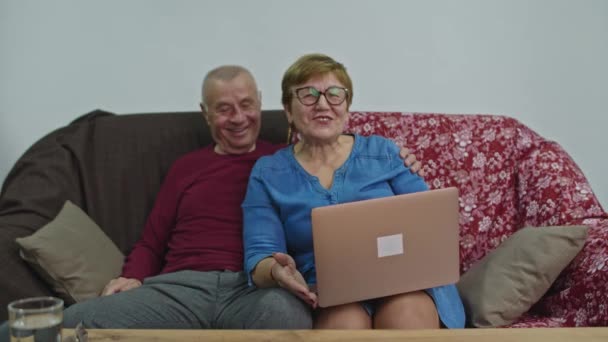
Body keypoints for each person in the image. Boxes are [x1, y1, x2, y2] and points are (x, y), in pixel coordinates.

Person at [0, 64, 423, 336]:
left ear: (262, 107)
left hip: (255, 289)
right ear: (205, 115)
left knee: (289, 320)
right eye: (223, 109)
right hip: (180, 287)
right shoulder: (187, 167)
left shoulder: (286, 162)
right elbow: (152, 239)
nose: (237, 118)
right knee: (51, 328)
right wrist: (130, 276)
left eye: (245, 105)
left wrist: (397, 158)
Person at [243, 54, 465, 329]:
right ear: (288, 110)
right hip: (329, 294)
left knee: (407, 315)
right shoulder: (268, 172)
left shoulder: (384, 153)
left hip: (406, 285)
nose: (323, 104)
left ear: (347, 108)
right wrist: (277, 271)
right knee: (345, 325)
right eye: (308, 95)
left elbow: (432, 224)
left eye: (335, 94)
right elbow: (259, 254)